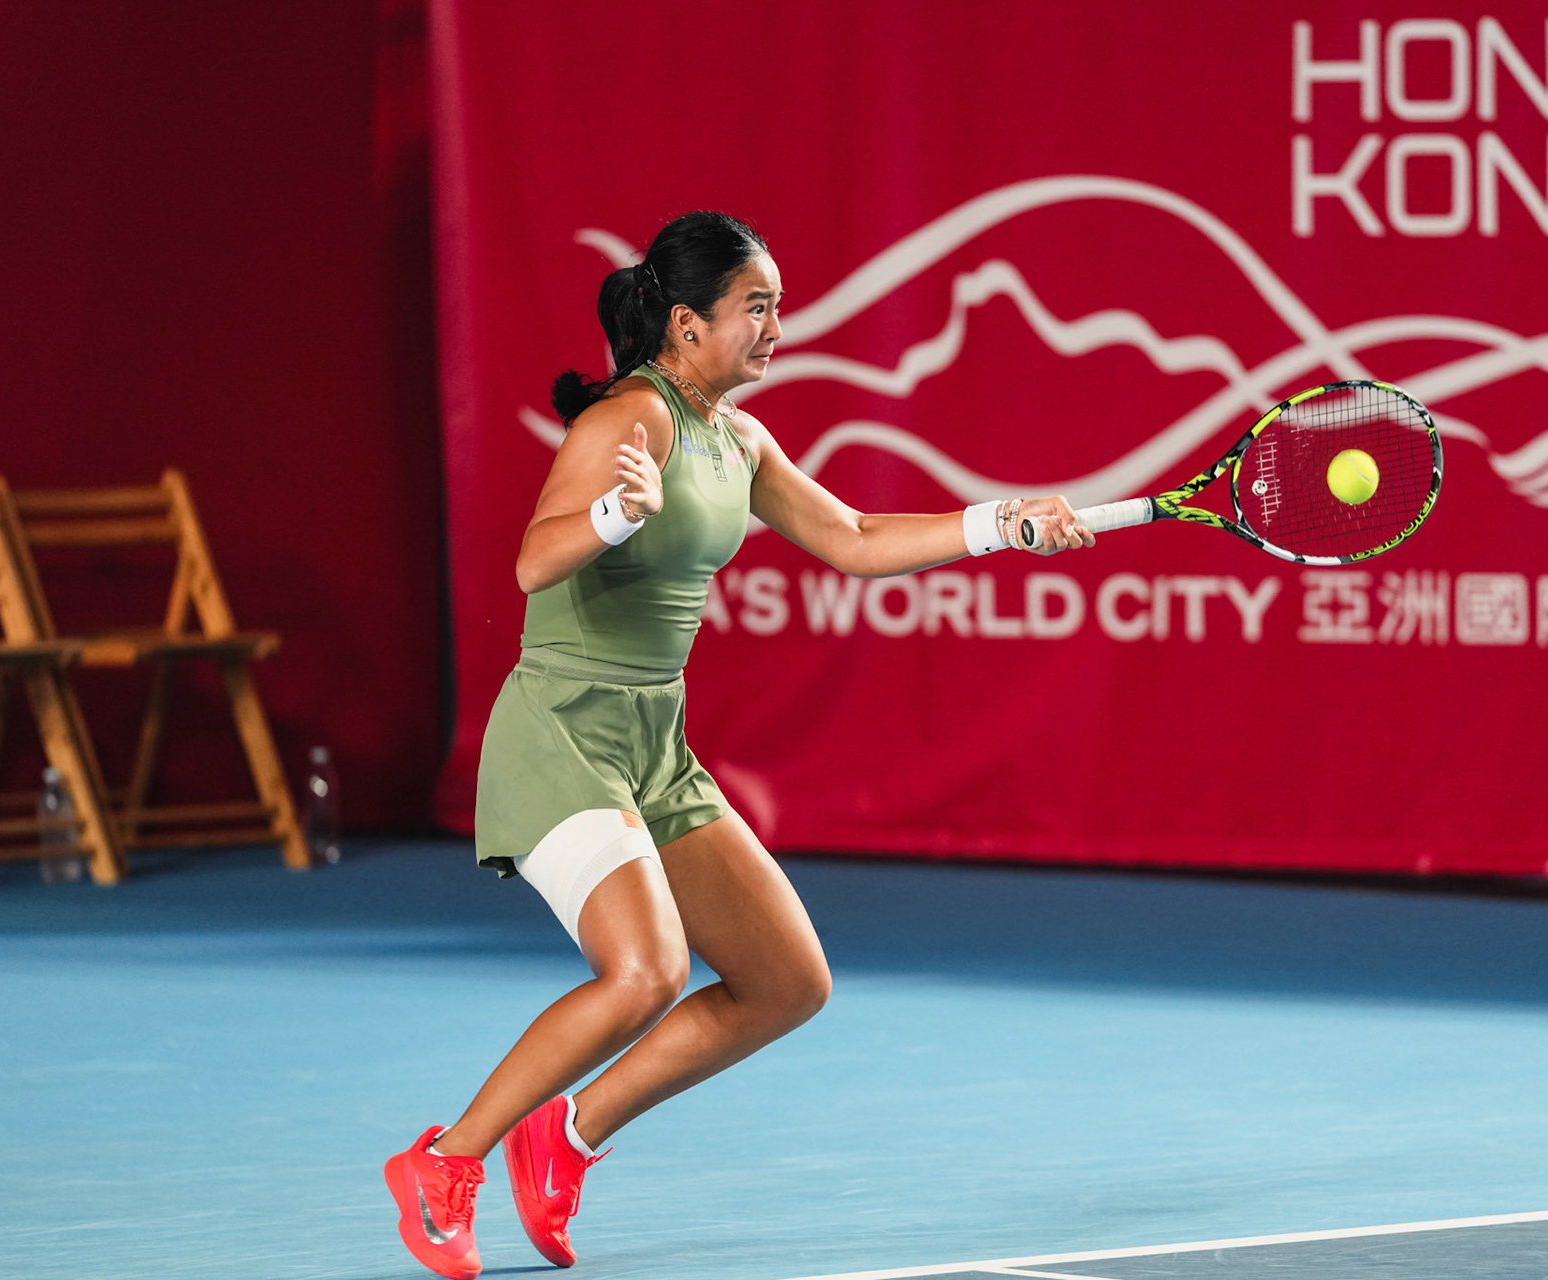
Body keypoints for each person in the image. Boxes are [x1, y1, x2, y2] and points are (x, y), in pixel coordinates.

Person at [383, 210, 1092, 1278]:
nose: (775, 327)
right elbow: (532, 565)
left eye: (777, 306)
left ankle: (565, 1137)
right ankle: (443, 1160)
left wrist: (1002, 524)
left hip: (655, 743)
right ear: (686, 323)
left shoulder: (737, 437)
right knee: (646, 972)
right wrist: (612, 520)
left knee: (785, 980)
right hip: (562, 734)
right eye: (755, 307)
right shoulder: (631, 419)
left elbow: (853, 538)